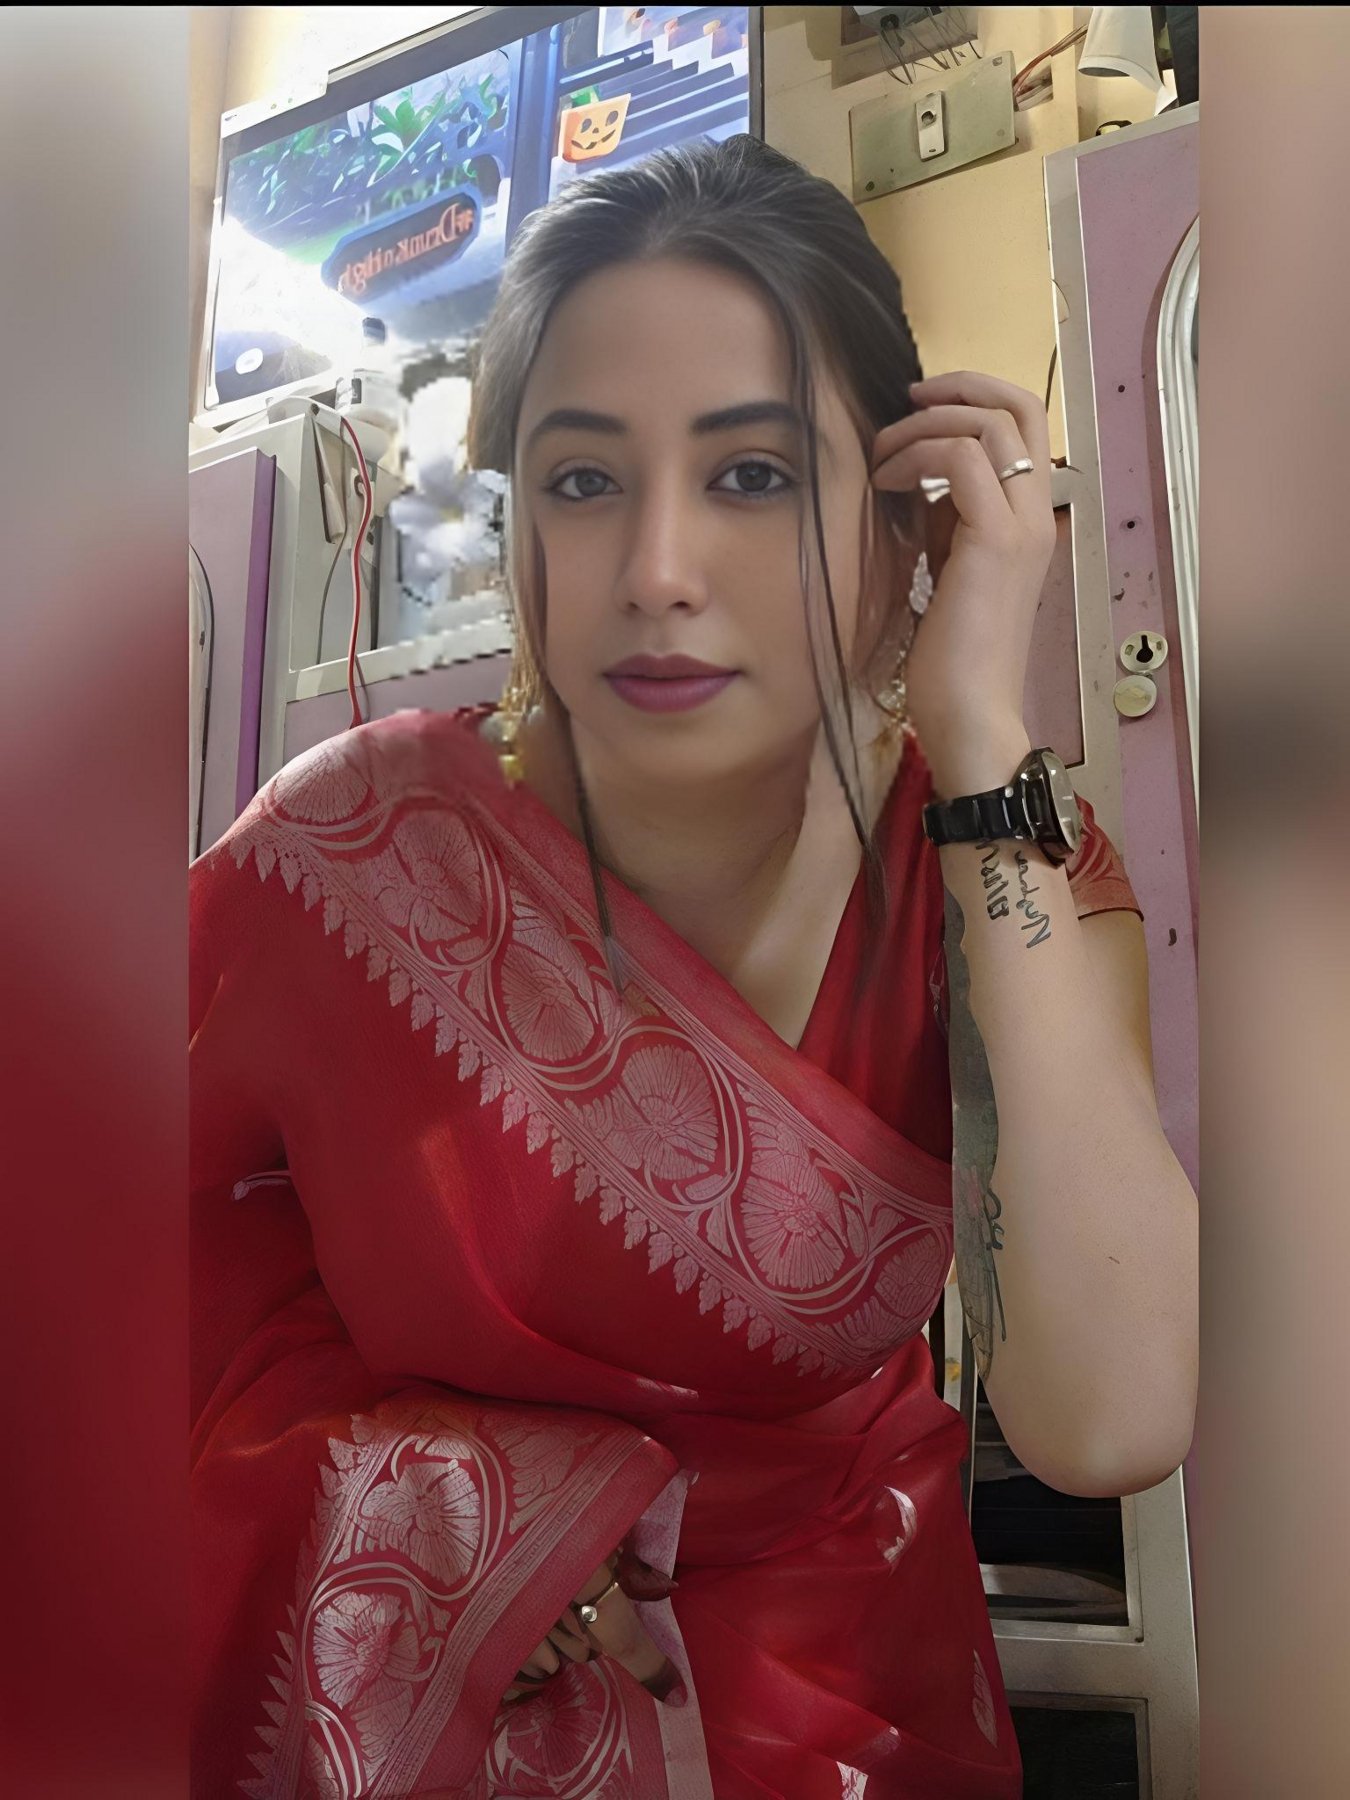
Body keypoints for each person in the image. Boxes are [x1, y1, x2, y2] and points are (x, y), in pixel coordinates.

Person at [190, 135, 1198, 1798]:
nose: (656, 569)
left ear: (903, 520)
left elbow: (1110, 1419)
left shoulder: (994, 867)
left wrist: (976, 733)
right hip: (408, 1709)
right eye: (583, 482)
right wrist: (432, 1507)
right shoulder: (350, 855)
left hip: (851, 1706)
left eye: (751, 476)